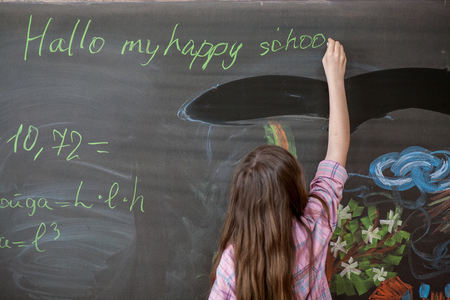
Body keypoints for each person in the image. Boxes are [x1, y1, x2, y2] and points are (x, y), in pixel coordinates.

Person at [208, 38, 350, 300]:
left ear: (240, 203)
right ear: (293, 190)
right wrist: (336, 79)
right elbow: (337, 153)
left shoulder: (232, 265)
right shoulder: (312, 231)